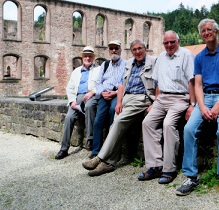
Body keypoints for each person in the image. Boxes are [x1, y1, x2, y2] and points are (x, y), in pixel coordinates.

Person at [176, 19, 219, 199]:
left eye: (209, 29)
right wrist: (201, 106)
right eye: (203, 31)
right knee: (189, 129)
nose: (206, 33)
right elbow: (198, 85)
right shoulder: (199, 57)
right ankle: (191, 176)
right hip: (205, 97)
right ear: (200, 34)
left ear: (216, 31)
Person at [82, 39, 157, 176]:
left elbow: (158, 82)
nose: (137, 52)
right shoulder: (130, 63)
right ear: (131, 51)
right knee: (113, 125)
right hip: (126, 97)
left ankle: (100, 158)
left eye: (140, 48)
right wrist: (119, 102)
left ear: (145, 49)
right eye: (134, 49)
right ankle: (110, 163)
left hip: (141, 98)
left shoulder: (153, 61)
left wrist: (155, 102)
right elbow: (122, 83)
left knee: (118, 122)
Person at [139, 31, 195, 184]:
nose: (169, 45)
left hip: (180, 97)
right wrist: (155, 101)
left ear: (178, 41)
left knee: (168, 124)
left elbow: (192, 81)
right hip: (162, 97)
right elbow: (157, 82)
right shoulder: (161, 57)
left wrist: (192, 105)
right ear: (163, 44)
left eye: (172, 42)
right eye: (166, 43)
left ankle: (169, 169)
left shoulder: (186, 55)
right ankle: (156, 165)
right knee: (147, 123)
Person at [55, 46, 100, 160]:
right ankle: (64, 148)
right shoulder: (76, 71)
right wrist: (72, 102)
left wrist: (92, 92)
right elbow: (69, 88)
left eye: (90, 56)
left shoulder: (98, 69)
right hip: (77, 97)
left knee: (89, 106)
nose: (87, 58)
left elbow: (101, 85)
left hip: (91, 95)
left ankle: (90, 139)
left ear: (93, 58)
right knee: (69, 117)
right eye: (85, 56)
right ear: (82, 58)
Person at [90, 40, 127, 159]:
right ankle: (96, 151)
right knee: (97, 121)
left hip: (116, 94)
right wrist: (102, 93)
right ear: (109, 50)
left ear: (120, 49)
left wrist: (115, 93)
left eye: (116, 48)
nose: (114, 50)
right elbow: (98, 82)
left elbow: (126, 83)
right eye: (111, 48)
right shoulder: (105, 65)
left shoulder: (126, 64)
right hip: (104, 95)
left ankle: (109, 149)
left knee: (113, 111)